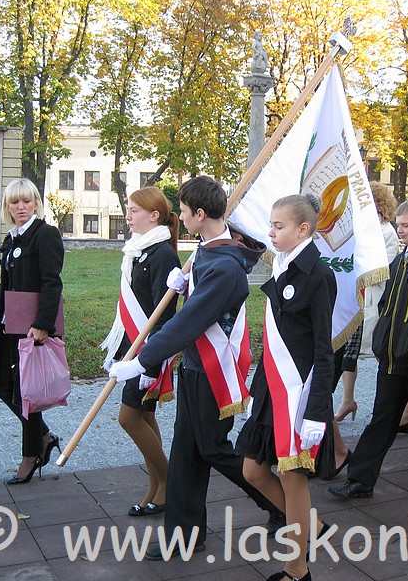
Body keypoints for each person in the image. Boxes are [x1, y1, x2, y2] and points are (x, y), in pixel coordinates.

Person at [109, 176, 282, 560]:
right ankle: (183, 536)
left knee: (213, 449)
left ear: (200, 214)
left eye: (185, 211)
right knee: (187, 453)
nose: (181, 217)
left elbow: (192, 321)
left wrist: (143, 360)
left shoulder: (225, 265)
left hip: (213, 372)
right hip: (195, 367)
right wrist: (185, 284)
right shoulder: (208, 252)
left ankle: (281, 503)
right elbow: (198, 305)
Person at [239, 194, 336, 581]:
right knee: (253, 471)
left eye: (279, 226)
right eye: (271, 225)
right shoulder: (281, 266)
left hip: (299, 395)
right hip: (272, 390)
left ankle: (297, 568)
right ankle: (313, 528)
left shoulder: (318, 275)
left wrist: (317, 410)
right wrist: (256, 391)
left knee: (293, 478)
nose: (271, 232)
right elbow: (273, 342)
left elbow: (323, 349)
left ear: (303, 229)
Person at [328, 199, 408, 500]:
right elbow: (386, 303)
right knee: (381, 420)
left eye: (406, 225)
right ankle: (360, 480)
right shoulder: (402, 260)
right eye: (398, 224)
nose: (400, 230)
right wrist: (384, 340)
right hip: (393, 360)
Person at [99, 187, 180, 516]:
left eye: (134, 210)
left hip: (148, 354)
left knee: (129, 418)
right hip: (132, 348)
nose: (128, 216)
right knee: (144, 416)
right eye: (128, 210)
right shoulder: (138, 250)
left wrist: (151, 364)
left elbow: (166, 315)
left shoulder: (162, 255)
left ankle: (170, 482)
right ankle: (156, 487)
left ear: (154, 215)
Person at [0, 178, 64, 484]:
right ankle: (43, 436)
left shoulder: (45, 235)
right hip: (9, 327)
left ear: (36, 203)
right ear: (7, 206)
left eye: (27, 201)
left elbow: (52, 282)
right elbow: (5, 288)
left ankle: (30, 455)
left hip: (31, 330)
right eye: (15, 202)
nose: (21, 207)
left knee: (26, 393)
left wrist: (43, 325)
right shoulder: (12, 239)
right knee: (2, 384)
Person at [338, 183, 399, 420]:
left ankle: (387, 406)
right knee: (348, 352)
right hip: (353, 295)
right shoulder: (356, 228)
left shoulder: (387, 232)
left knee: (379, 352)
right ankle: (347, 400)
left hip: (372, 297)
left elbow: (382, 268)